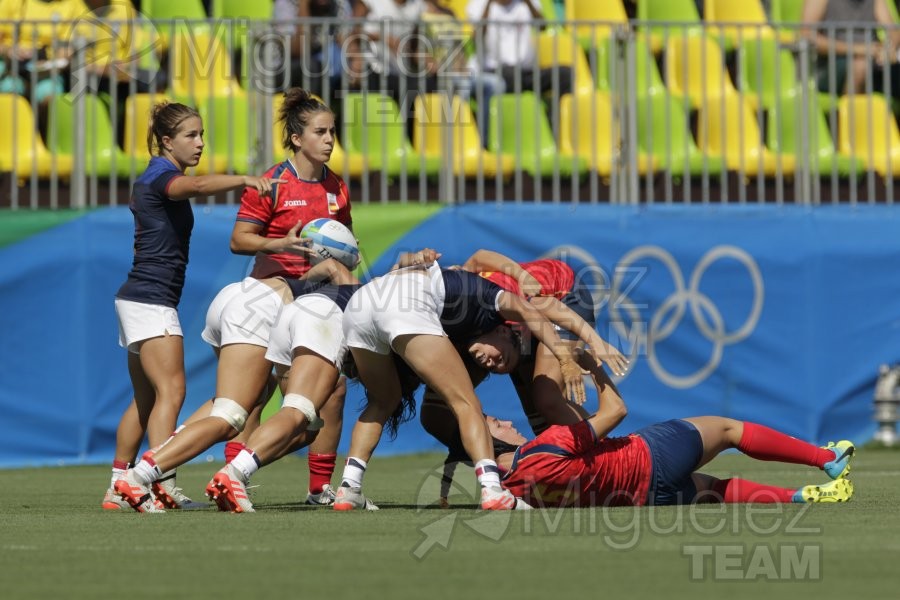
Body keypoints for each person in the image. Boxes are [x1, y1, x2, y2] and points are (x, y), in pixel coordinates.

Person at [103, 101, 285, 510]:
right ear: (167, 141)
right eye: (191, 135)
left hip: (138, 298)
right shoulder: (160, 176)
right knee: (172, 391)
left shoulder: (157, 174)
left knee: (146, 399)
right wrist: (245, 179)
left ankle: (118, 485)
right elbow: (198, 187)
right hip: (150, 300)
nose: (200, 143)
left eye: (202, 134)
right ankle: (158, 484)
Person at [332, 249, 588, 511]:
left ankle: (348, 489)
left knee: (382, 402)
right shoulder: (489, 294)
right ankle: (493, 491)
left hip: (359, 305)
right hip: (405, 304)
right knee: (466, 404)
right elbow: (526, 309)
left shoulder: (459, 299)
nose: (485, 363)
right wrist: (566, 360)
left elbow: (405, 263)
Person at [468, 366, 856, 507]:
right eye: (496, 423)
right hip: (651, 454)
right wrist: (594, 368)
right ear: (495, 443)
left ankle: (802, 496)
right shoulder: (544, 445)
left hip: (645, 498)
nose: (507, 421)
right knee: (729, 430)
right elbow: (616, 412)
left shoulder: (512, 491)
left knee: (714, 491)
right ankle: (827, 460)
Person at [231, 87, 355, 505]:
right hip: (273, 294)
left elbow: (347, 248)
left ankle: (319, 488)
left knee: (333, 391)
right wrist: (281, 244)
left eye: (332, 131)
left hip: (316, 300)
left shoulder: (337, 188)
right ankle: (232, 480)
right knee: (254, 394)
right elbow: (239, 240)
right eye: (320, 132)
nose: (329, 139)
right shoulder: (273, 183)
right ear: (297, 138)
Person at [205, 280, 363, 512]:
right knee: (296, 411)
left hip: (282, 311)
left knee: (301, 422)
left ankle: (235, 471)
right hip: (298, 311)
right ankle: (231, 473)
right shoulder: (372, 293)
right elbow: (333, 268)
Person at [466, 0, 573, 98]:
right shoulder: (479, 3)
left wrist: (528, 3)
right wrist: (489, 4)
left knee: (565, 74)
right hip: (495, 70)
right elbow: (476, 36)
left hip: (526, 71)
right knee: (512, 74)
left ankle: (554, 112)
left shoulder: (527, 3)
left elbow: (542, 27)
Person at [802, 0, 900, 96]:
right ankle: (850, 106)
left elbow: (893, 32)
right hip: (830, 66)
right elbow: (807, 36)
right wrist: (860, 49)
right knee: (861, 65)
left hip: (872, 61)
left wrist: (887, 50)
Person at [272, 0, 352, 100]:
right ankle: (312, 109)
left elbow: (346, 41)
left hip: (319, 65)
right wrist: (303, 5)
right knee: (312, 68)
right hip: (279, 70)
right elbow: (300, 50)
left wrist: (356, 62)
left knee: (357, 70)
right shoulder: (286, 4)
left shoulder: (339, 4)